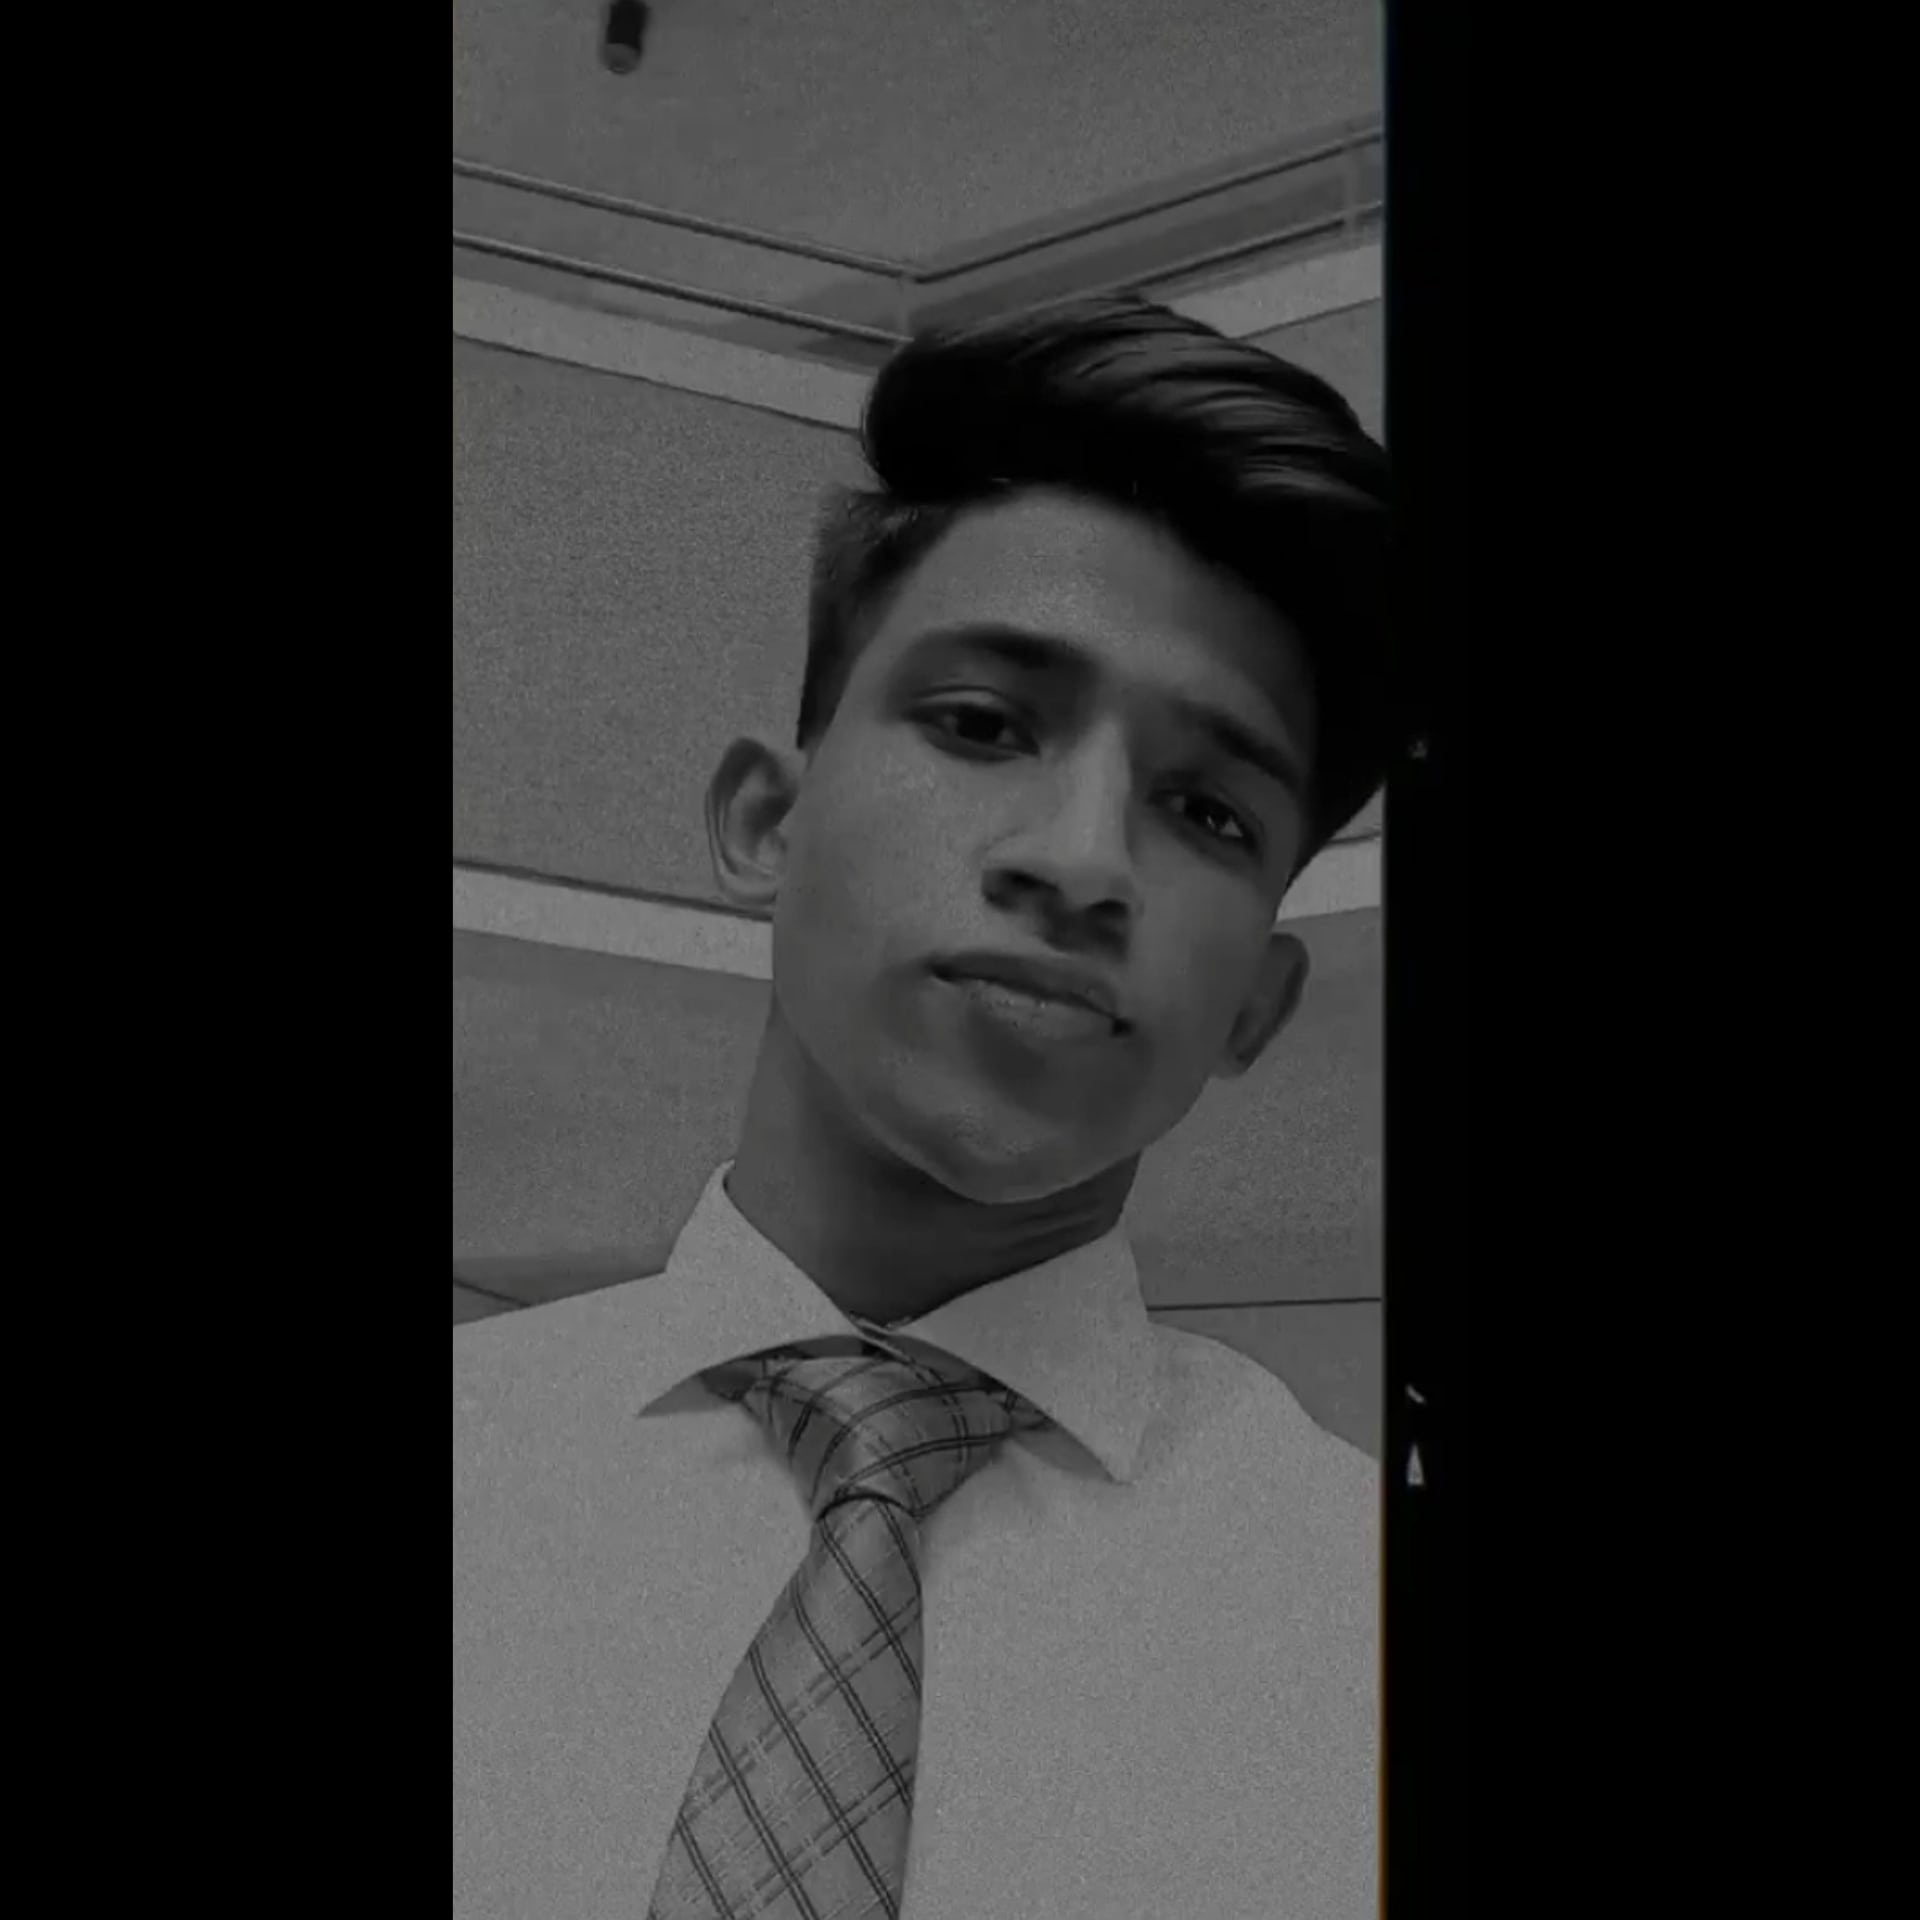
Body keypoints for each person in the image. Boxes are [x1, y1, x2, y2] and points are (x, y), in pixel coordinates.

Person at [454, 291, 1394, 1919]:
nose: (1082, 860)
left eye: (1207, 811)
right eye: (981, 723)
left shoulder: (1354, 1622)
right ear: (764, 821)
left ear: (1254, 1002)